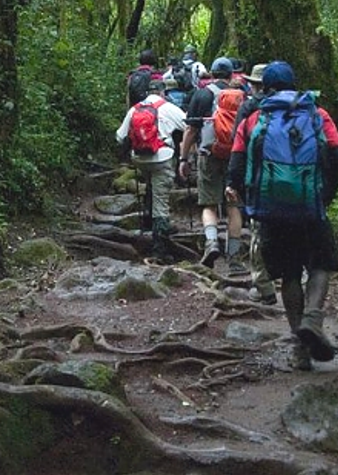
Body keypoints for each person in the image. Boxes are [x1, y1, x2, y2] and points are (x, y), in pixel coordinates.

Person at [225, 60, 338, 369]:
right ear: (295, 84)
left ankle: (300, 349)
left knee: (289, 275)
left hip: (271, 211)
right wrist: (325, 194)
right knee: (321, 264)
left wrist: (246, 199)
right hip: (311, 206)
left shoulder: (254, 119)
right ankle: (313, 318)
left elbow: (237, 164)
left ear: (265, 88)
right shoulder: (317, 115)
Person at [178, 57, 247, 271]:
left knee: (209, 204)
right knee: (233, 205)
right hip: (236, 156)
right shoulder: (242, 96)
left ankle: (212, 242)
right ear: (231, 74)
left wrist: (183, 158)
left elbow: (191, 130)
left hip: (208, 154)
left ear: (212, 73)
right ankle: (234, 258)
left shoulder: (202, 94)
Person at [117, 73, 187, 261]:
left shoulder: (135, 109)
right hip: (162, 158)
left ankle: (148, 222)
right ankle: (159, 249)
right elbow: (187, 125)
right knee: (161, 200)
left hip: (140, 158)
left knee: (151, 187)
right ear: (162, 92)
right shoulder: (168, 107)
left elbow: (120, 136)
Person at [234, 64, 273, 300]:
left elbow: (237, 145)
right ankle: (297, 280)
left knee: (258, 234)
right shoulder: (300, 109)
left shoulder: (249, 108)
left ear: (254, 85)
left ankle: (263, 287)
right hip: (297, 180)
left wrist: (234, 182)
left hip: (258, 182)